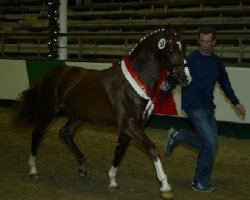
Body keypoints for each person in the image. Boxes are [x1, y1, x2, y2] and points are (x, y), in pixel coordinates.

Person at [165, 26, 246, 192]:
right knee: (210, 143)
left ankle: (178, 136)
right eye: (202, 41)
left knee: (211, 145)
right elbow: (177, 75)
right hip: (193, 105)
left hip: (208, 107)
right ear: (198, 41)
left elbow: (225, 84)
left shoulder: (217, 63)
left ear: (214, 42)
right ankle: (199, 182)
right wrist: (166, 87)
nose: (205, 45)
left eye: (208, 41)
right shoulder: (191, 59)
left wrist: (236, 102)